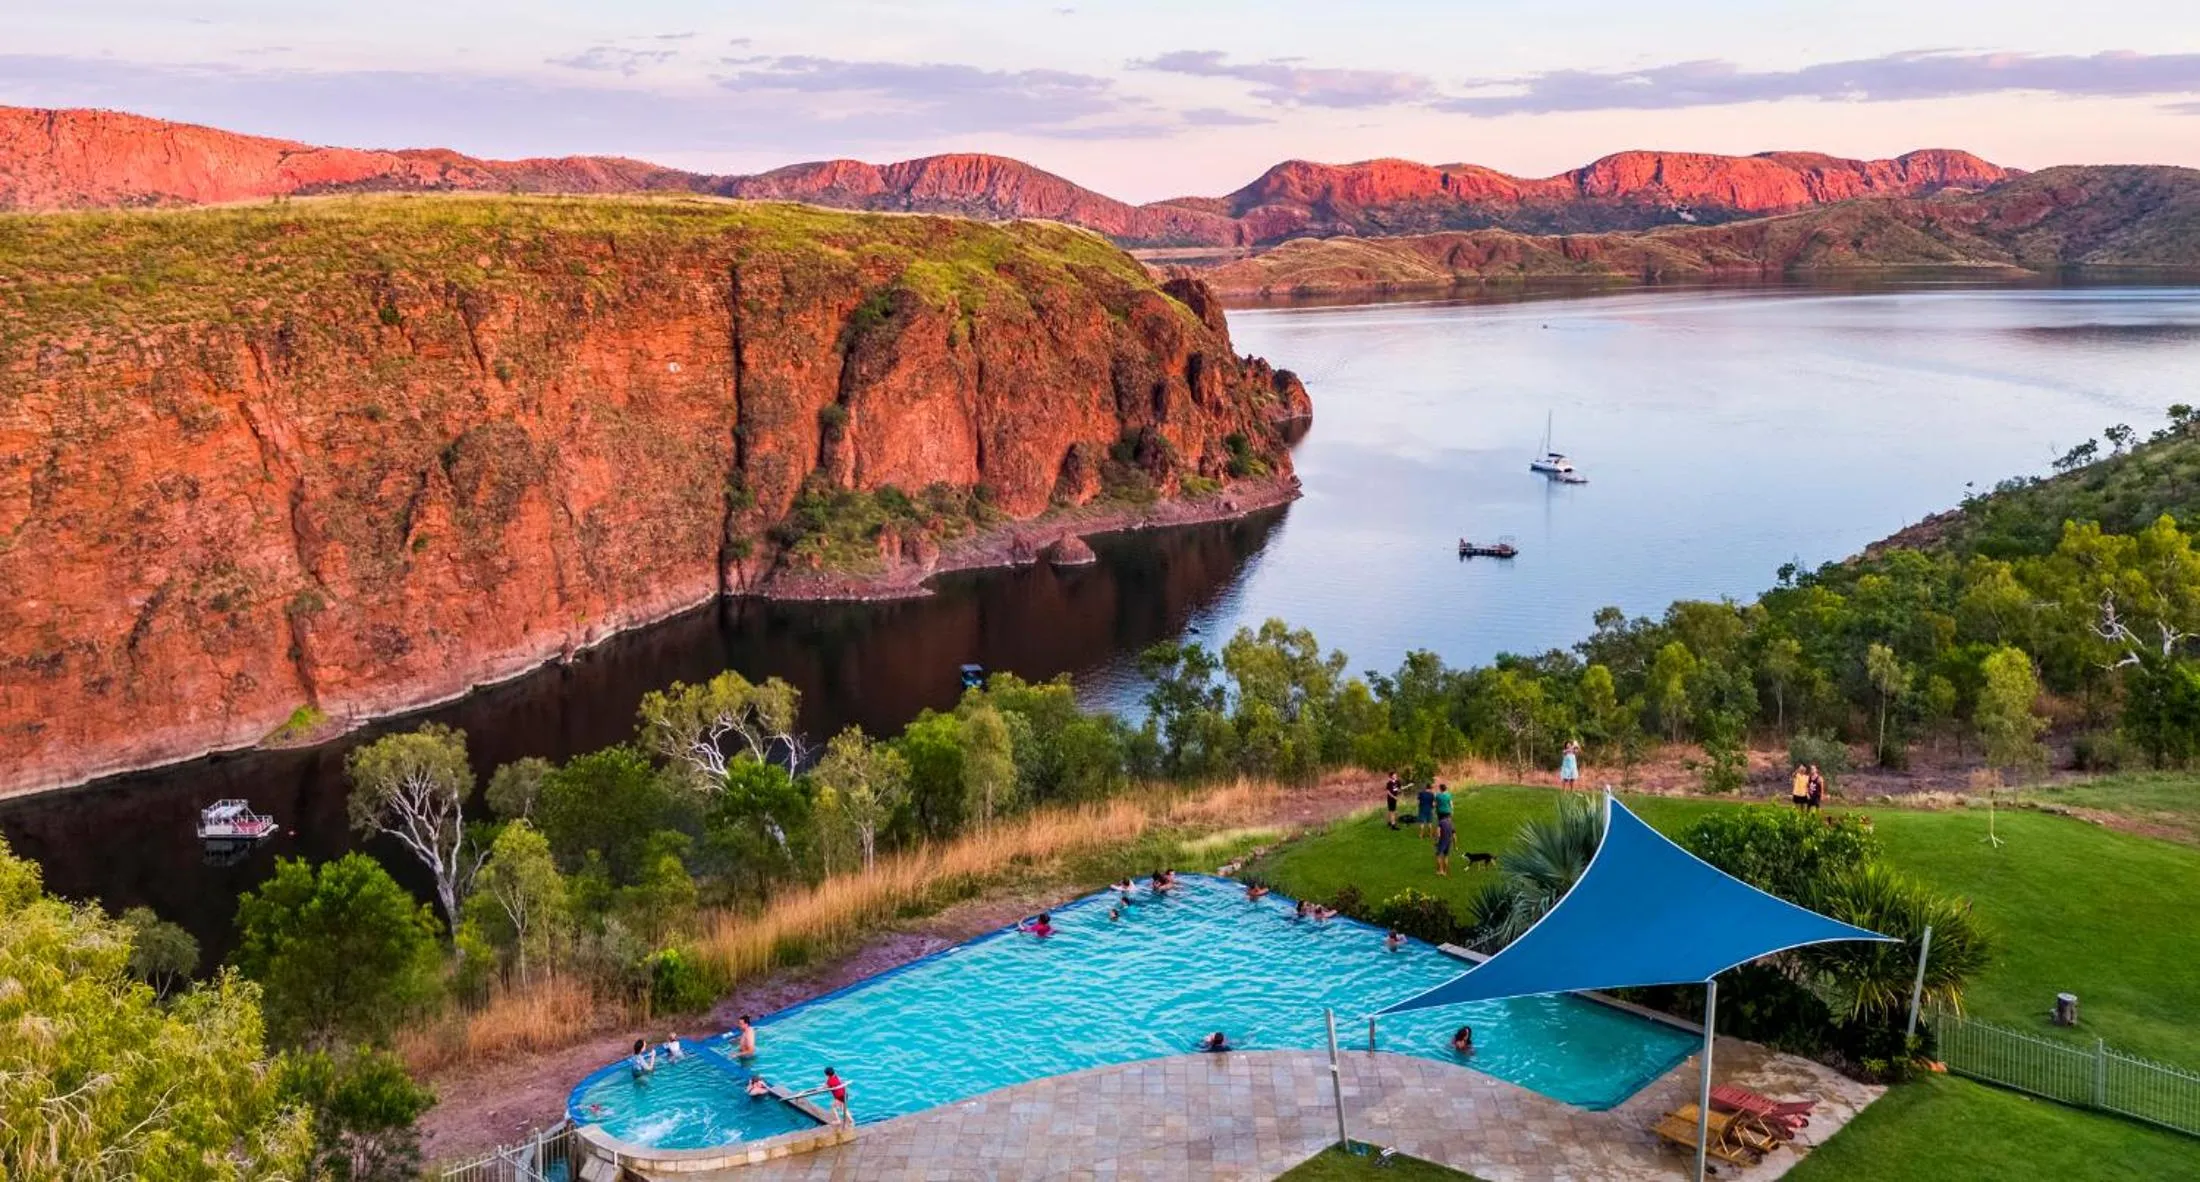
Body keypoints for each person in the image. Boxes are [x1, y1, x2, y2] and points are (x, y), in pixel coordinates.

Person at [1434, 812, 1455, 878]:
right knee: (1446, 856)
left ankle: (1440, 871)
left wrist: (1437, 841)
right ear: (1448, 817)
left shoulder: (1441, 822)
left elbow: (1438, 833)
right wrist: (1455, 845)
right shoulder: (1451, 824)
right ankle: (1445, 872)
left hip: (1442, 841)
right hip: (1449, 841)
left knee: (1438, 855)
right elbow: (1454, 836)